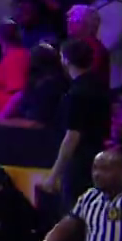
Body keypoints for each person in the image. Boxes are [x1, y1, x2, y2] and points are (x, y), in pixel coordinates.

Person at [45, 38, 111, 206]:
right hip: (100, 158)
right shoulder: (101, 86)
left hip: (80, 166)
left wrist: (54, 175)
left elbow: (72, 137)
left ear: (66, 60)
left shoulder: (76, 94)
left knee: (75, 212)